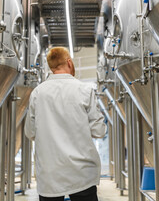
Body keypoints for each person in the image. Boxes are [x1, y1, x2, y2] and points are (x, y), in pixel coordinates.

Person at [24, 47, 107, 201]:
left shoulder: (38, 93)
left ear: (51, 66)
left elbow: (30, 132)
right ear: (69, 62)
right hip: (82, 173)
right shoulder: (85, 90)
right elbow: (99, 131)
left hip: (50, 174)